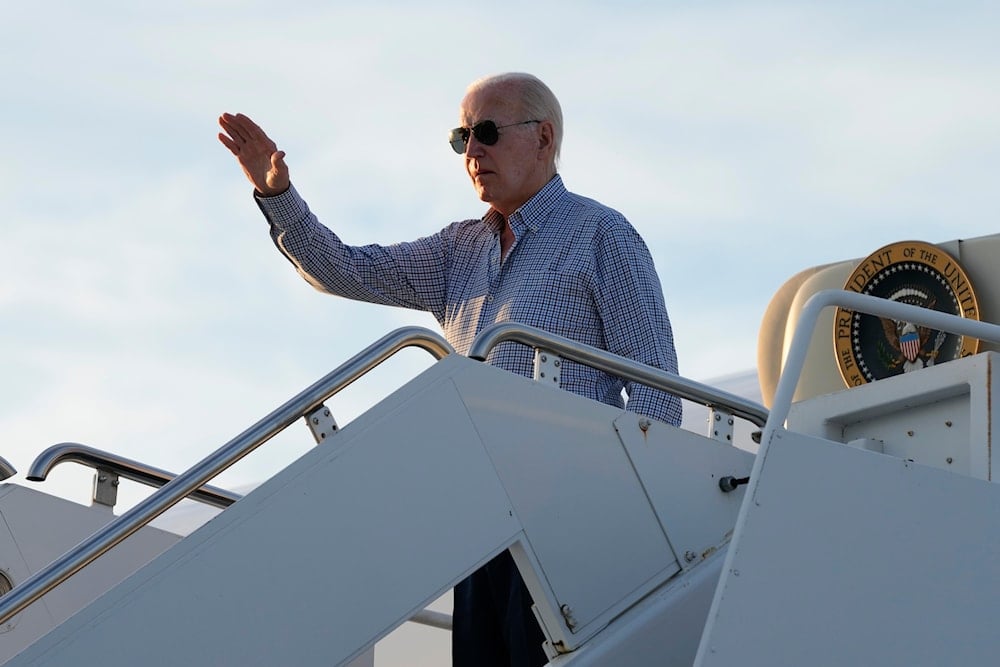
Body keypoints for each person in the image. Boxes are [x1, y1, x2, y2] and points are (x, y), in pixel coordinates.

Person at [219, 72, 682, 667]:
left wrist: (635, 522)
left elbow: (655, 395)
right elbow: (345, 269)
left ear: (543, 138)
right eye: (461, 137)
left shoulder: (602, 236)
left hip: (574, 514)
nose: (472, 151)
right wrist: (276, 194)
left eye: (486, 132)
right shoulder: (456, 251)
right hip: (483, 520)